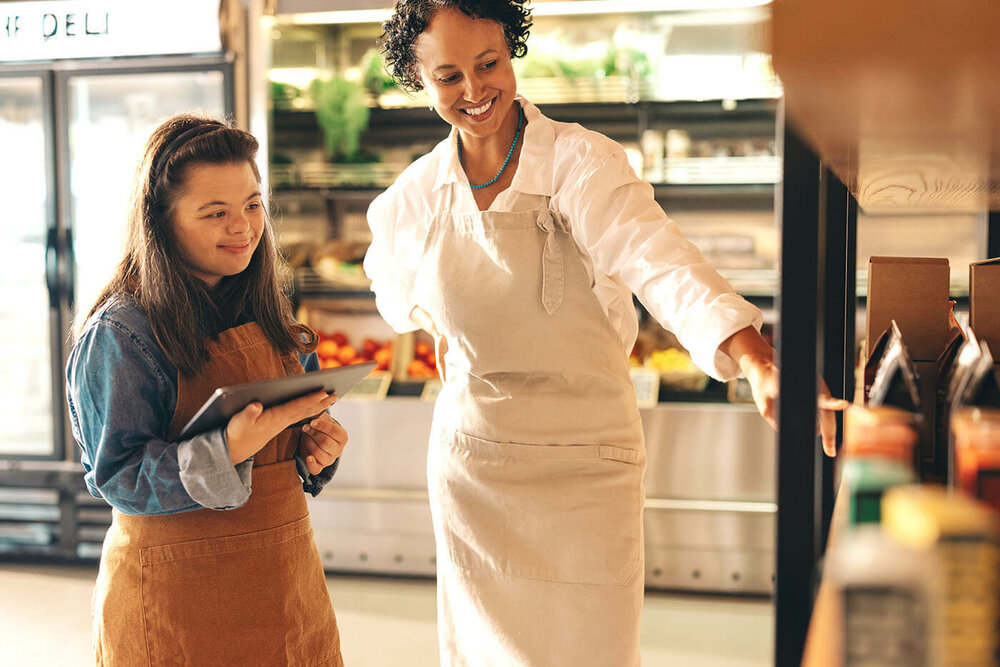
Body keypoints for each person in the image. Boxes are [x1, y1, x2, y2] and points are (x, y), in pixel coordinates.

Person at [366, 1, 847, 664]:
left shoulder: (579, 161)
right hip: (475, 469)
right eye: (448, 77)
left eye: (489, 64)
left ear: (511, 50)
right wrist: (430, 320)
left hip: (586, 468)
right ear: (419, 82)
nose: (475, 91)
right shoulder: (413, 198)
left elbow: (656, 256)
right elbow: (390, 290)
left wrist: (756, 357)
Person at [66, 114, 347, 666]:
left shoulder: (269, 311)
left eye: (252, 204)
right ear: (161, 222)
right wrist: (226, 451)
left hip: (286, 589)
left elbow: (291, 448)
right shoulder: (122, 332)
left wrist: (315, 454)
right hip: (174, 604)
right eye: (215, 213)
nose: (242, 226)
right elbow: (118, 478)